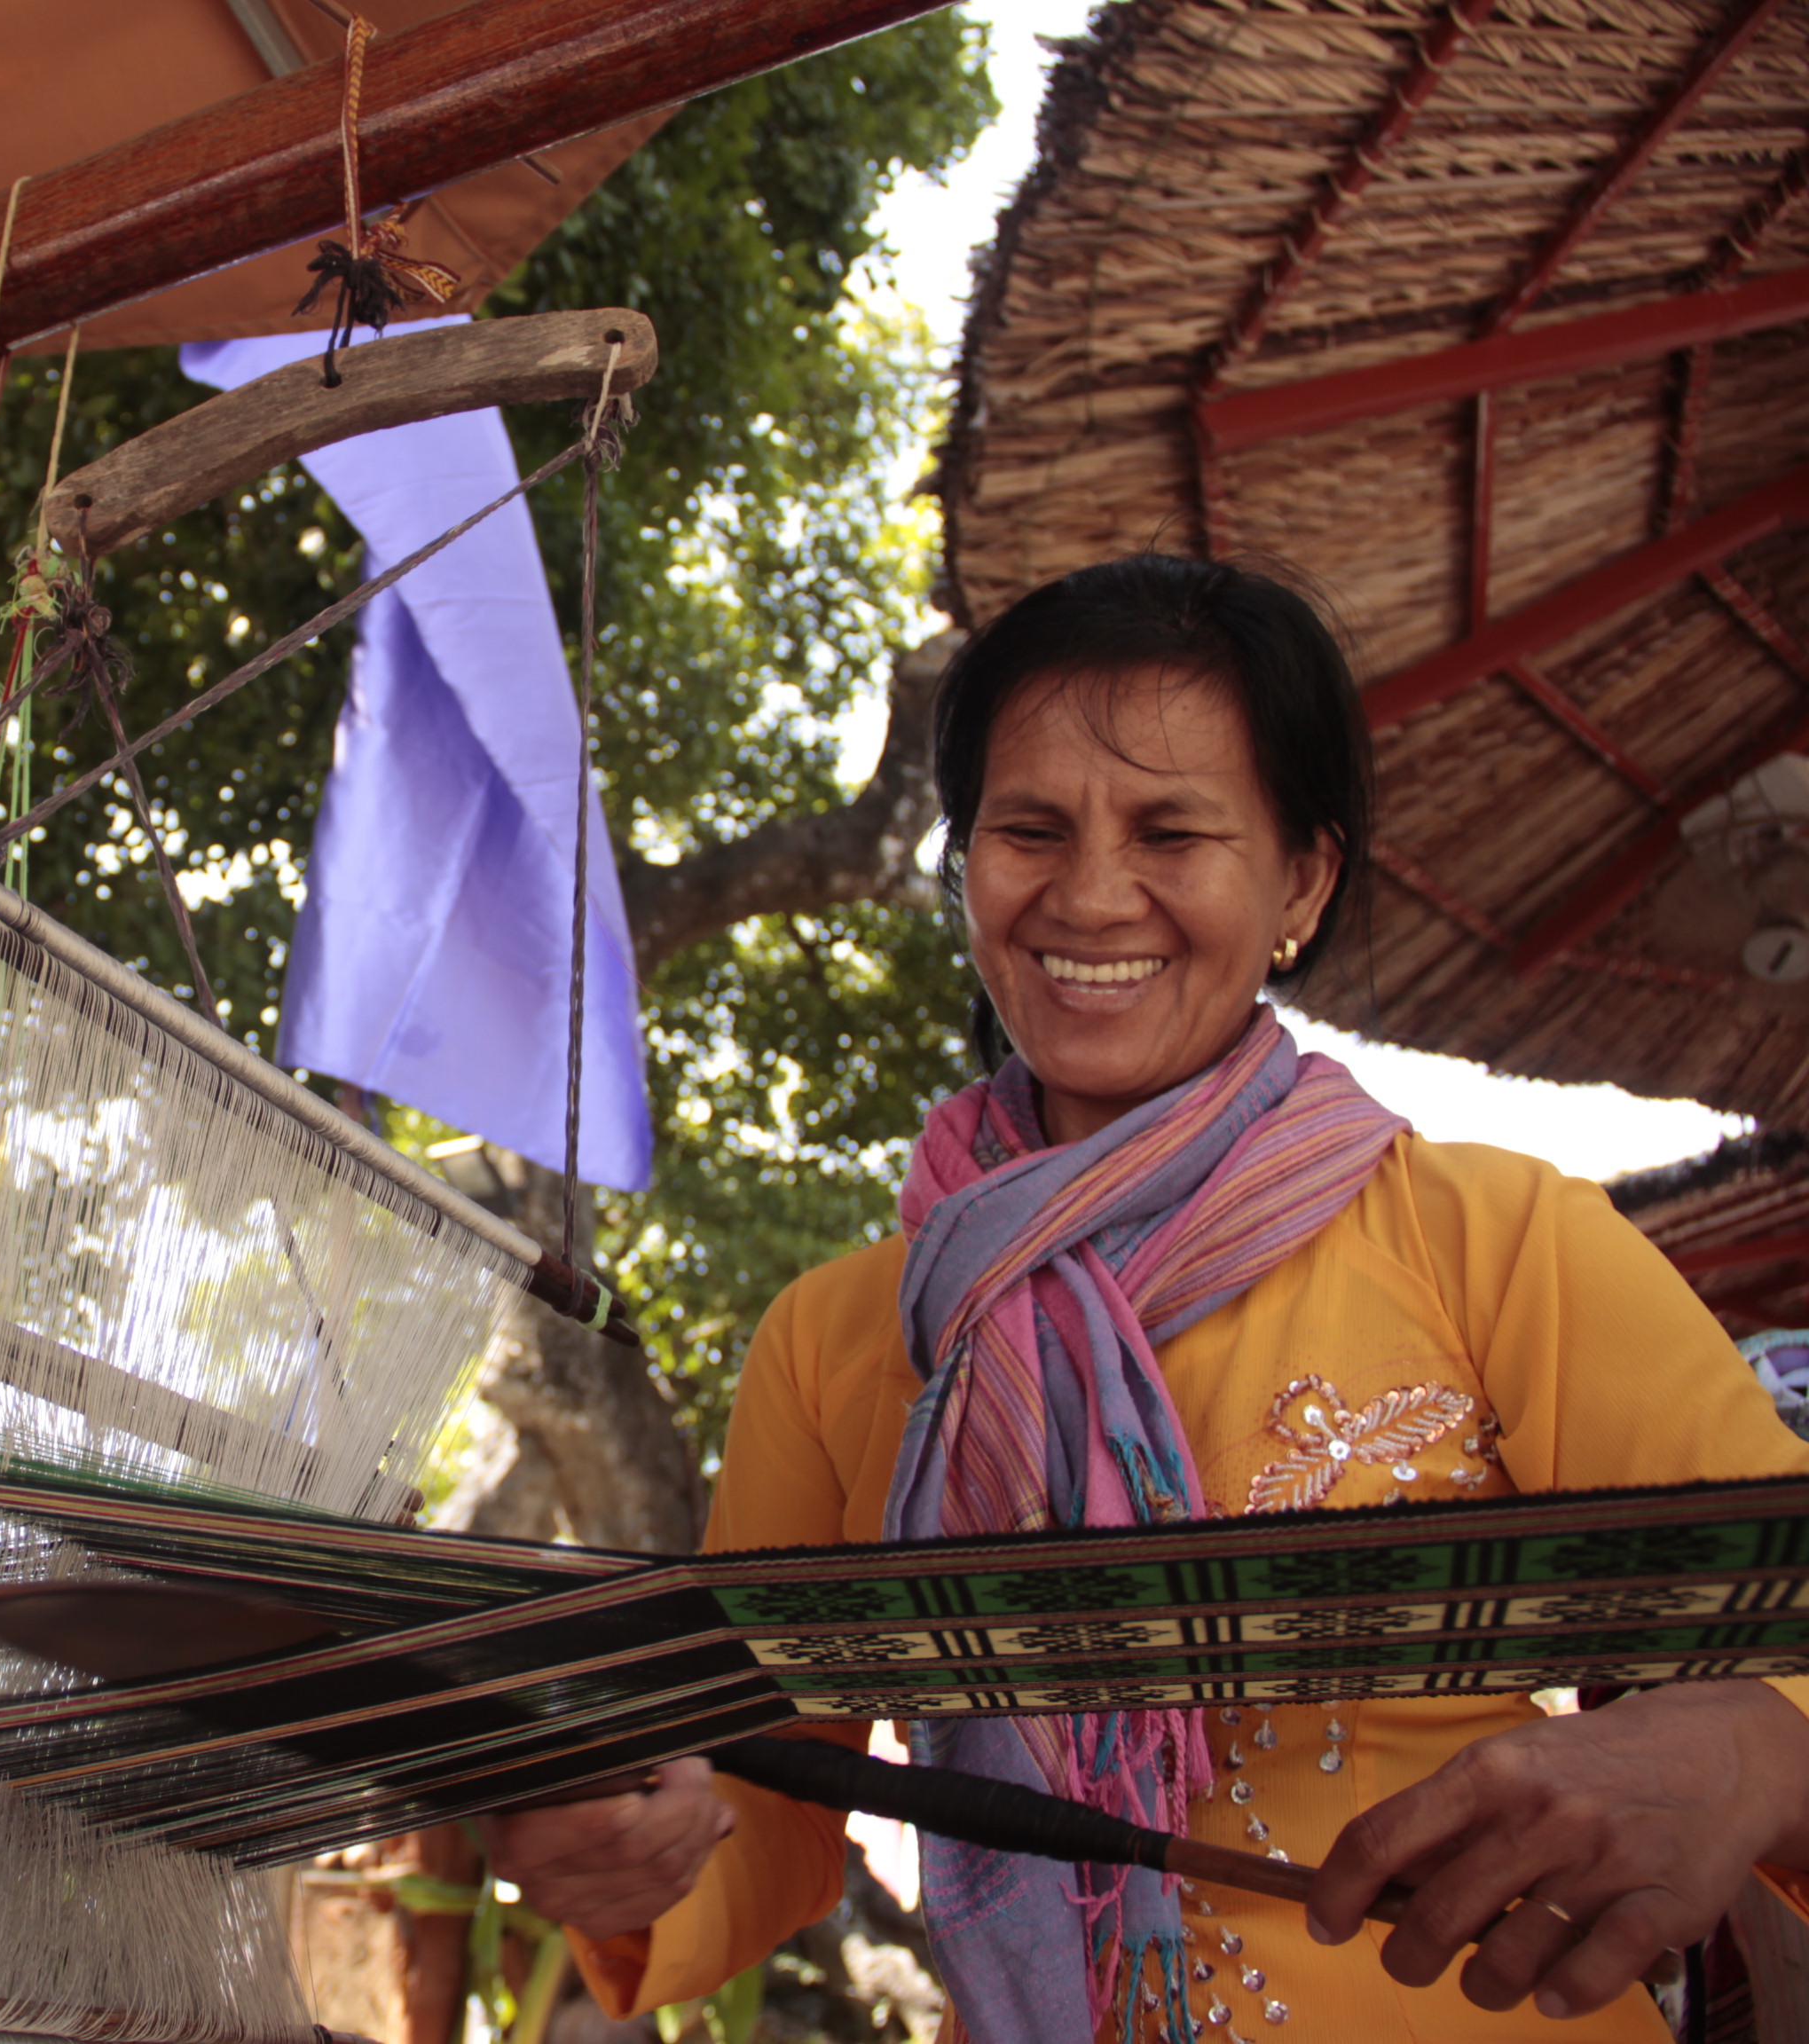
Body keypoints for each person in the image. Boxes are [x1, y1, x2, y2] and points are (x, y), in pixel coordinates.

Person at [479, 555, 1809, 2042]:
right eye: (1029, 830)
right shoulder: (840, 1340)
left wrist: (1761, 1747)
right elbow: (775, 1806)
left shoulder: (1494, 1240)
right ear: (967, 865)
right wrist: (618, 1851)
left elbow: (1790, 1643)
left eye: (1174, 830)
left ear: (1302, 877)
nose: (1092, 893)